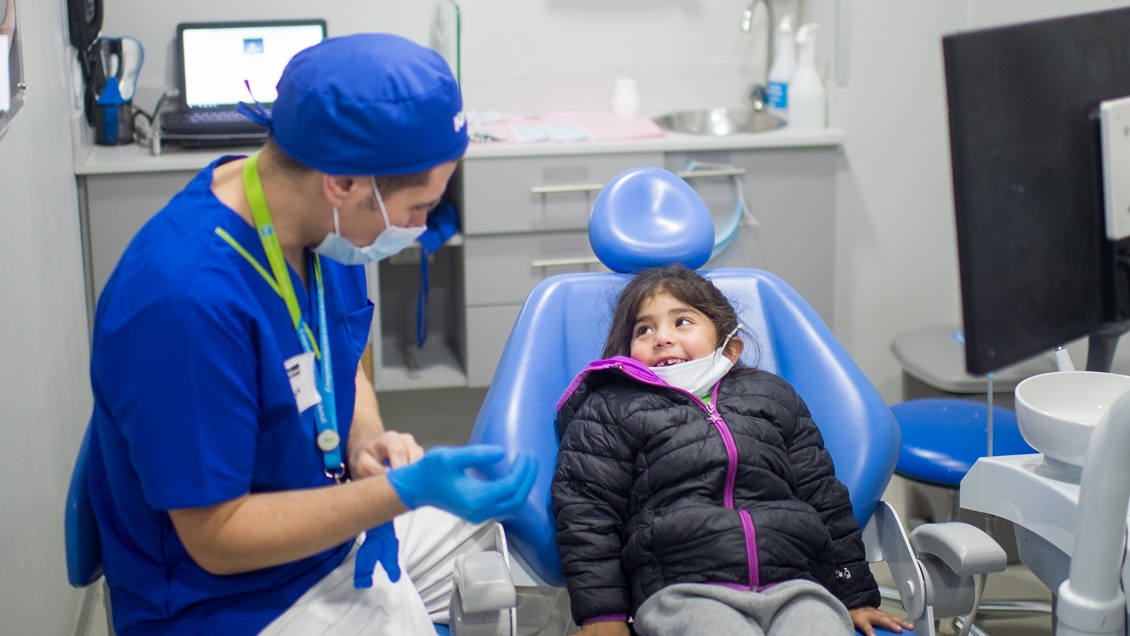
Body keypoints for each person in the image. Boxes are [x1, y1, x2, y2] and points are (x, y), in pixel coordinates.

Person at [86, 33, 535, 635]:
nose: (423, 226)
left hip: (327, 529)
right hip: (230, 599)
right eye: (417, 206)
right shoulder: (184, 302)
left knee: (498, 548)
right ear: (343, 184)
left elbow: (341, 360)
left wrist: (364, 444)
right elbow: (216, 538)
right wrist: (398, 494)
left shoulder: (317, 232)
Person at [551, 265, 914, 636]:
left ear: (731, 345)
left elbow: (823, 496)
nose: (661, 337)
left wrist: (854, 595)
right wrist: (603, 614)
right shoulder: (611, 409)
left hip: (799, 586)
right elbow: (587, 510)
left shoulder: (772, 396)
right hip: (684, 591)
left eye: (682, 322)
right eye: (643, 329)